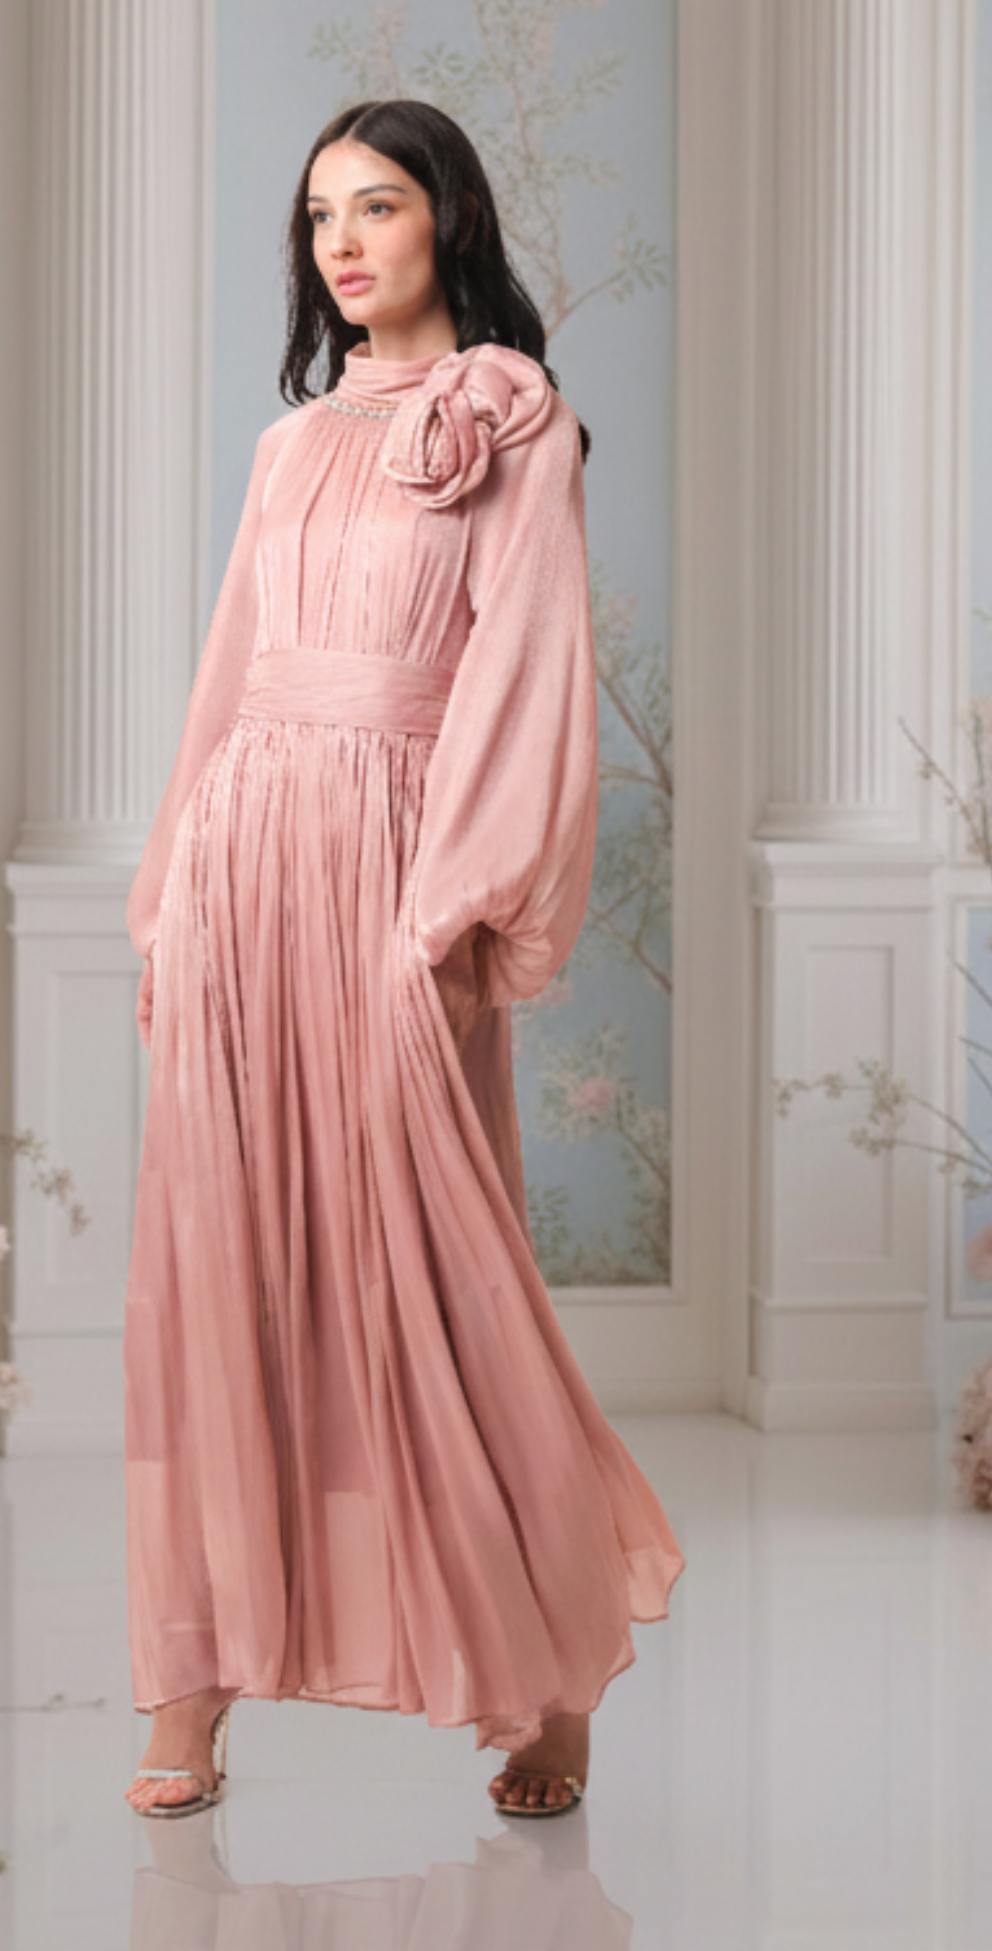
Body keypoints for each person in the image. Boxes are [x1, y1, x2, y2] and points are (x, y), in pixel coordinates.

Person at [121, 98, 685, 1824]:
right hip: (249, 859)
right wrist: (172, 896)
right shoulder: (289, 447)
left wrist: (451, 913)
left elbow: (529, 675)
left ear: (450, 218)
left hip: (398, 873)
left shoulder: (514, 423)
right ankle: (193, 1683)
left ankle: (550, 1676)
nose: (344, 243)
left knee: (439, 1280)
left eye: (377, 206)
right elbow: (231, 674)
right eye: (319, 217)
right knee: (222, 1267)